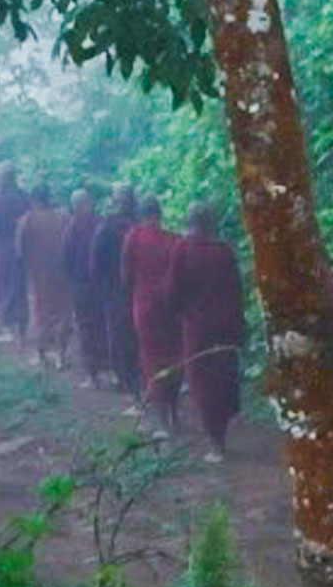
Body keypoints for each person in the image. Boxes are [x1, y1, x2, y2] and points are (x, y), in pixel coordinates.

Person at [169, 203, 245, 462]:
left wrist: (180, 312)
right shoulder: (225, 252)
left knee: (201, 380)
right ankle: (220, 435)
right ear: (212, 223)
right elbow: (237, 293)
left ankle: (215, 444)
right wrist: (239, 328)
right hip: (225, 326)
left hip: (197, 327)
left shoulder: (183, 249)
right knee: (222, 379)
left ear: (190, 222)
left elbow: (174, 290)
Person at [123, 196, 183, 435]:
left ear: (141, 215)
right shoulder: (174, 240)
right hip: (170, 308)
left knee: (151, 359)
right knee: (175, 355)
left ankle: (161, 422)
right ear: (160, 214)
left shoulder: (133, 238)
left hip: (144, 307)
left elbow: (125, 276)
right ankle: (175, 413)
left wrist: (134, 293)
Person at [94, 187, 143, 403]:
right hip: (138, 286)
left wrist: (101, 282)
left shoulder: (109, 226)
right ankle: (136, 375)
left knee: (117, 331)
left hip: (115, 287)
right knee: (135, 330)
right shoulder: (140, 225)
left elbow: (96, 260)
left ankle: (124, 377)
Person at [16, 186, 73, 369]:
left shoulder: (27, 219)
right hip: (62, 272)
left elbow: (19, 250)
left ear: (34, 200)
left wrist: (26, 267)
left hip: (38, 273)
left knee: (40, 310)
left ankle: (41, 354)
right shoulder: (64, 218)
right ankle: (61, 355)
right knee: (63, 311)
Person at [62, 190, 110, 387]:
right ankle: (97, 372)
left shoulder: (74, 227)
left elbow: (65, 260)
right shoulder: (100, 223)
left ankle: (94, 374)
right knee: (94, 326)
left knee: (90, 327)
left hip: (85, 284)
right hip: (92, 284)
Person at [0, 164, 31, 343]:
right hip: (21, 248)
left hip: (1, 247)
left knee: (3, 286)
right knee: (19, 286)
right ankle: (22, 329)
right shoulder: (23, 197)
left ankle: (9, 328)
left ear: (1, 177)